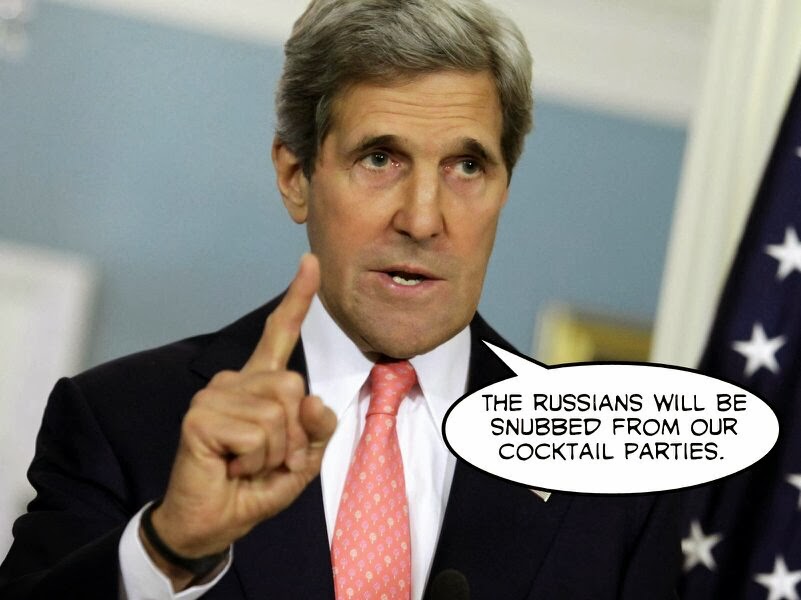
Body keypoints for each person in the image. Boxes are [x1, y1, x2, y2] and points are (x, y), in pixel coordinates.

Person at [0, 0, 681, 598]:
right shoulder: (122, 419)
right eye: (380, 159)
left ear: (504, 187)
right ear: (296, 175)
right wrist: (167, 549)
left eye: (466, 166)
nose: (423, 218)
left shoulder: (607, 472)